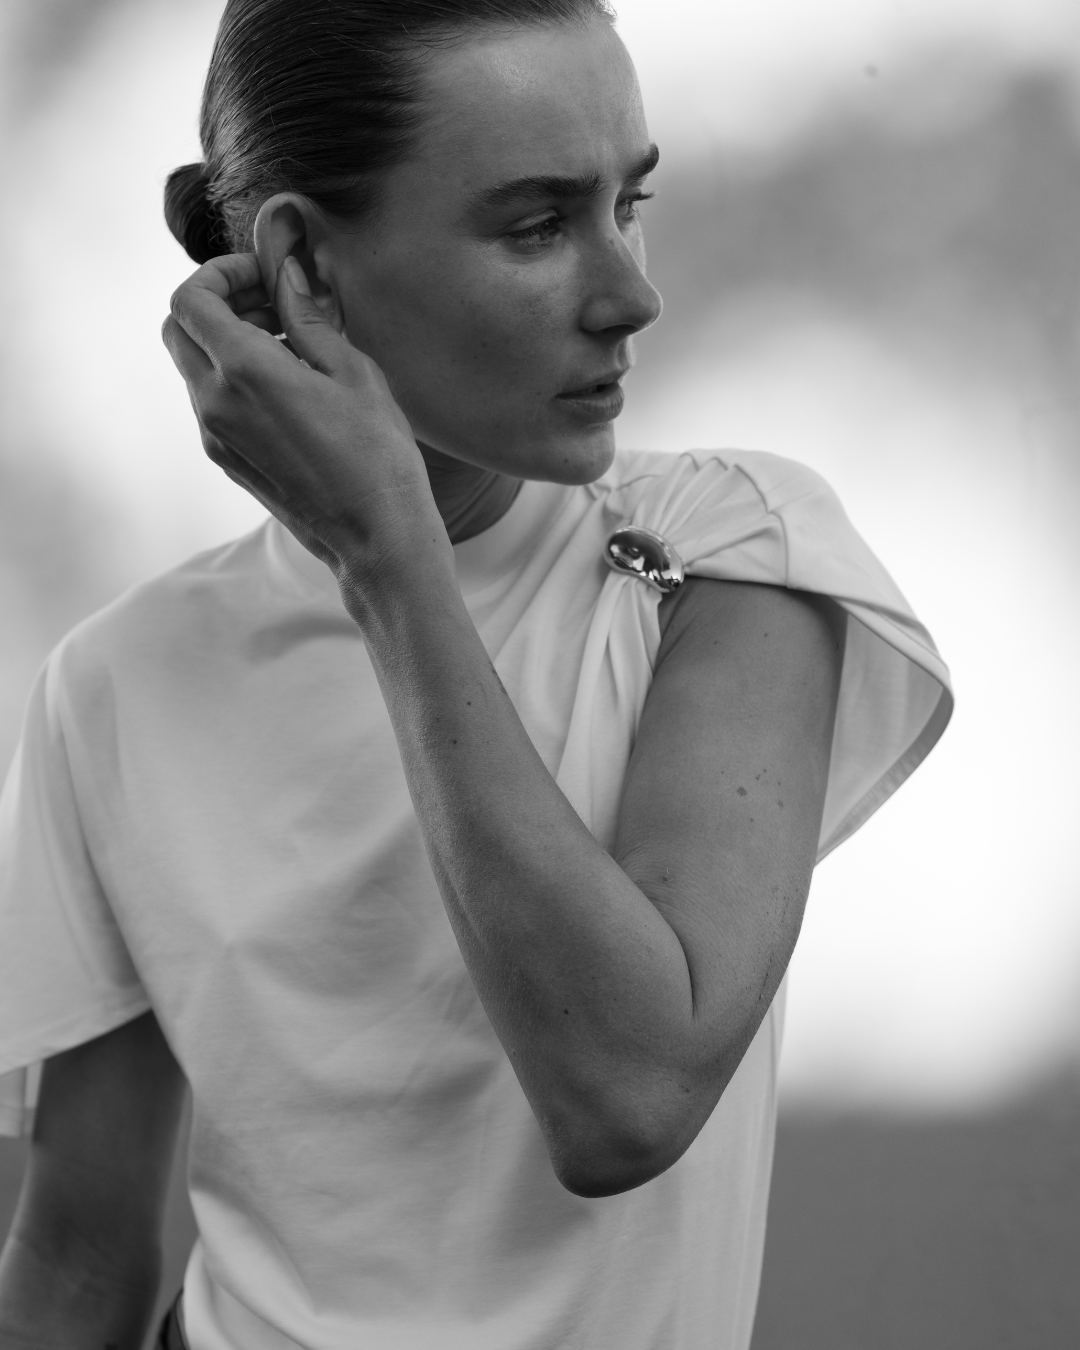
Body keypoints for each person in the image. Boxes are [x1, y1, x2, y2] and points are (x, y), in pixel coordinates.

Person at [0, 1, 953, 1347]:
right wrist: (382, 549)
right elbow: (77, 1257)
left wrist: (392, 565)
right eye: (538, 225)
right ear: (303, 265)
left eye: (630, 204)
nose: (632, 294)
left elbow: (627, 1097)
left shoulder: (732, 556)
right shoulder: (115, 685)